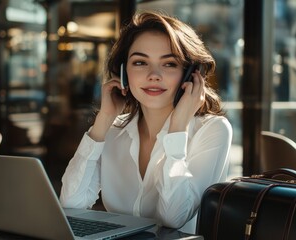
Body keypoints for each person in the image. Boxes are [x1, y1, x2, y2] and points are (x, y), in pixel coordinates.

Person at [60, 11, 232, 234]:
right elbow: (71, 204)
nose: (154, 75)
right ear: (123, 73)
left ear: (190, 74)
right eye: (140, 62)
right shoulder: (113, 130)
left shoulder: (212, 130)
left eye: (169, 64)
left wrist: (177, 128)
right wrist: (103, 121)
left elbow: (173, 218)